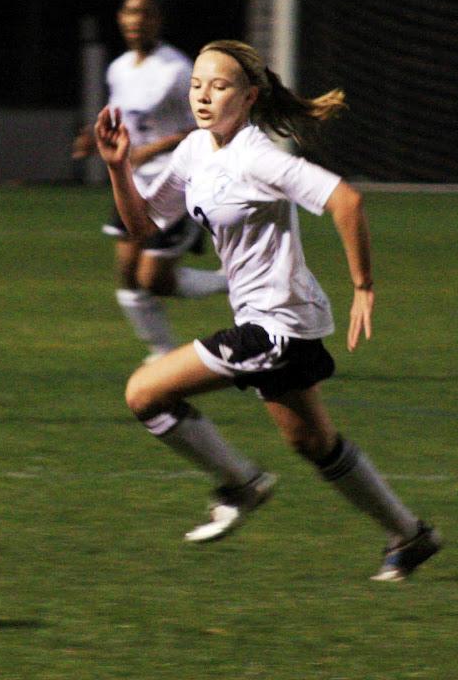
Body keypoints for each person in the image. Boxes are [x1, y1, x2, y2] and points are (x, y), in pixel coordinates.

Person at [93, 38, 441, 581]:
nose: (204, 95)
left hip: (274, 328)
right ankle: (411, 536)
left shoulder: (258, 157)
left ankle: (241, 484)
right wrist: (118, 168)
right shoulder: (195, 151)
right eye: (197, 85)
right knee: (313, 444)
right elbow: (144, 228)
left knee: (145, 391)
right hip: (275, 324)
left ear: (250, 96)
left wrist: (364, 285)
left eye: (220, 86)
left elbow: (345, 200)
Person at [73, 0, 227, 363]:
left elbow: (206, 125)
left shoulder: (177, 70)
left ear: (158, 20)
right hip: (133, 184)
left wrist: (151, 150)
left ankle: (232, 281)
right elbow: (128, 118)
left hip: (176, 182)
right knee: (128, 279)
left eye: (144, 13)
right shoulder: (119, 68)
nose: (135, 20)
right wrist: (95, 139)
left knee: (154, 281)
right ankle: (162, 352)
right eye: (128, 12)